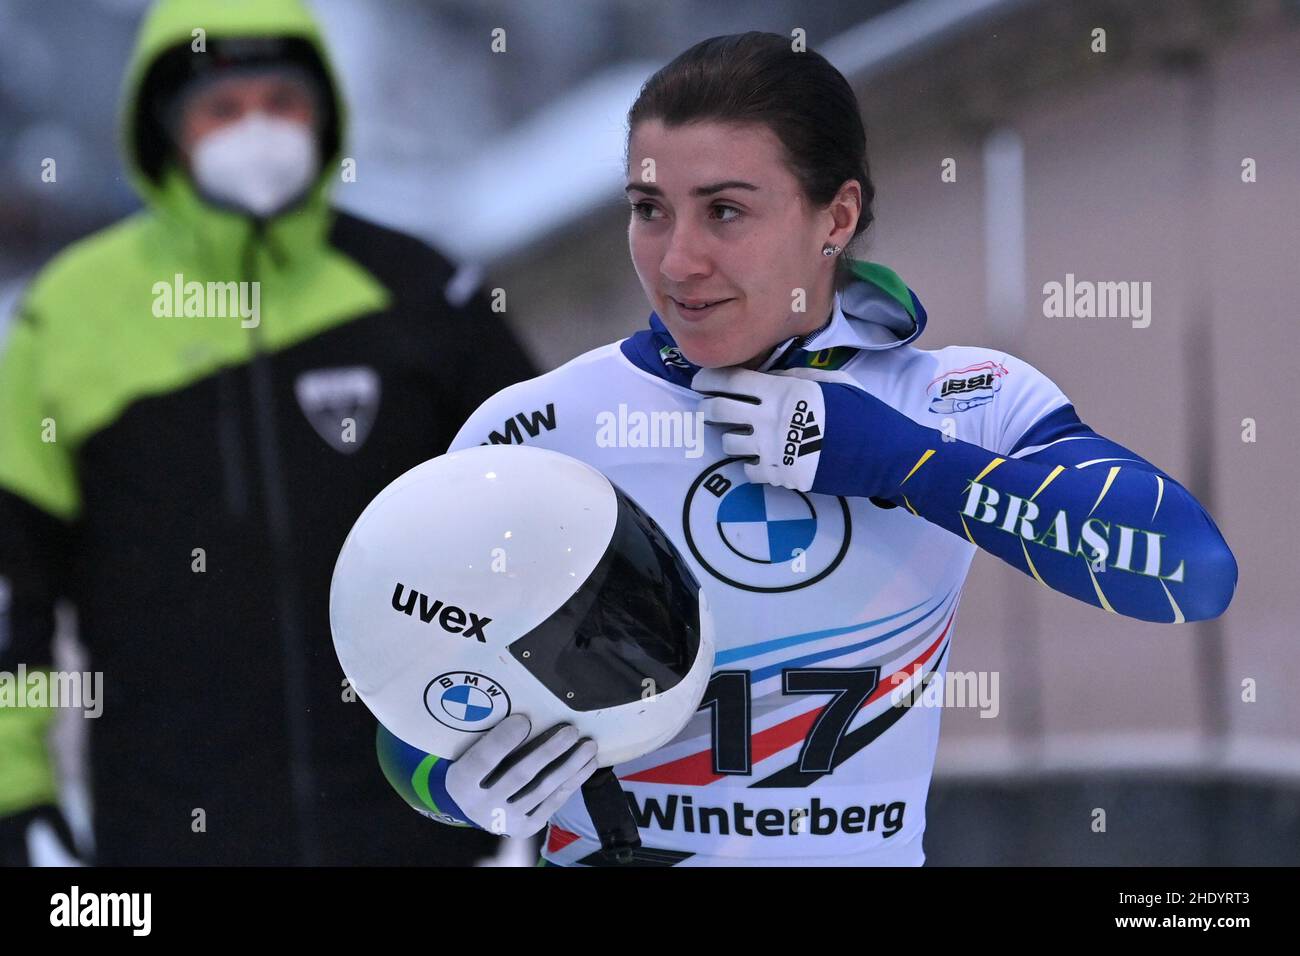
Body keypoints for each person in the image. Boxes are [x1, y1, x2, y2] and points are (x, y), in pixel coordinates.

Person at [379, 31, 1238, 866]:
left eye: (725, 211)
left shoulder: (956, 401)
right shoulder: (539, 427)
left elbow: (1189, 571)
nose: (678, 260)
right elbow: (404, 712)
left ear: (838, 214)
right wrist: (453, 789)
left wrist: (909, 466)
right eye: (650, 211)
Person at [0, 0, 535, 865]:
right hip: (172, 839)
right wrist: (12, 796)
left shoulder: (420, 291)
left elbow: (545, 523)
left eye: (282, 102)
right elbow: (9, 587)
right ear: (167, 129)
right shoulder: (67, 318)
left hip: (429, 825)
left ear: (324, 116)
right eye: (223, 107)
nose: (258, 130)